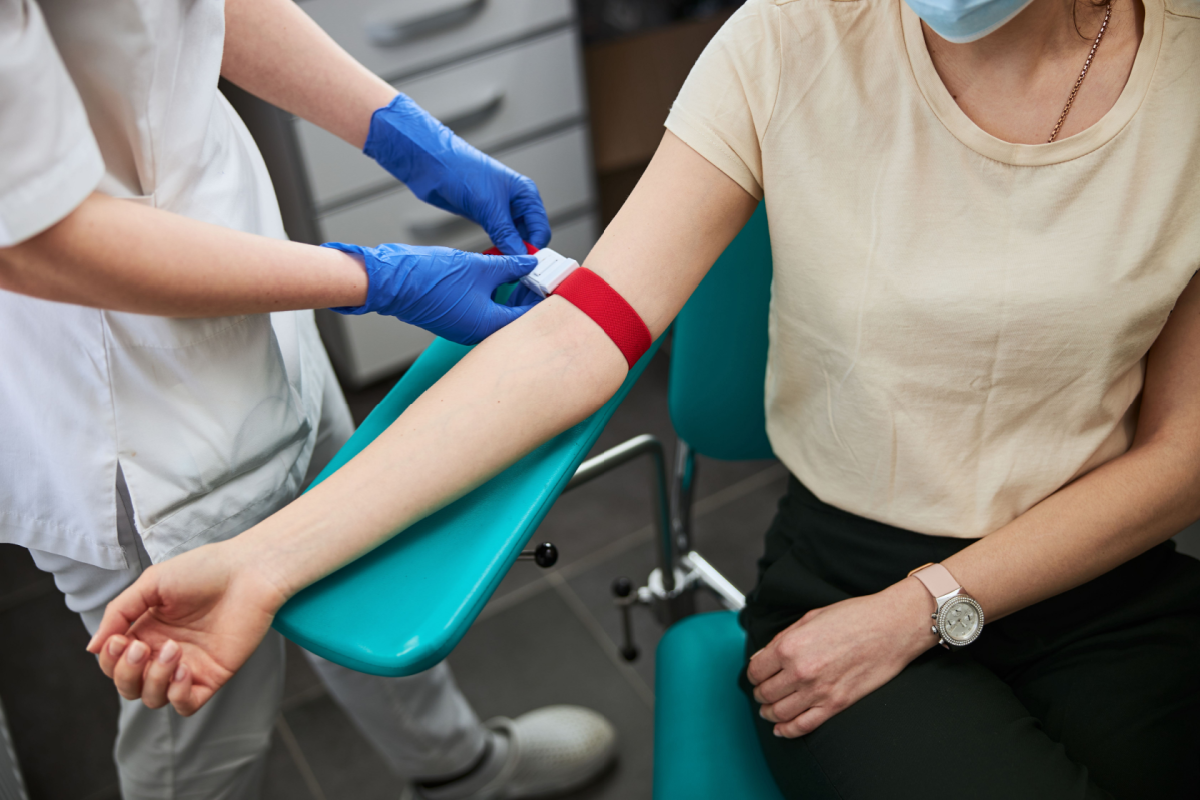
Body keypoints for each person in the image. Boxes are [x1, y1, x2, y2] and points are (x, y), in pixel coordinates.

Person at [76, 0, 1200, 796]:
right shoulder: (792, 37)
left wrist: (932, 603)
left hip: (1097, 566)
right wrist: (262, 559)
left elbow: (1182, 455)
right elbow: (580, 338)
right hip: (851, 581)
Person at [0, 0, 620, 797]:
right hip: (129, 410)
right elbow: (32, 240)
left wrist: (408, 133)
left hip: (250, 287)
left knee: (360, 568)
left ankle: (458, 772)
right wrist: (377, 280)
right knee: (207, 722)